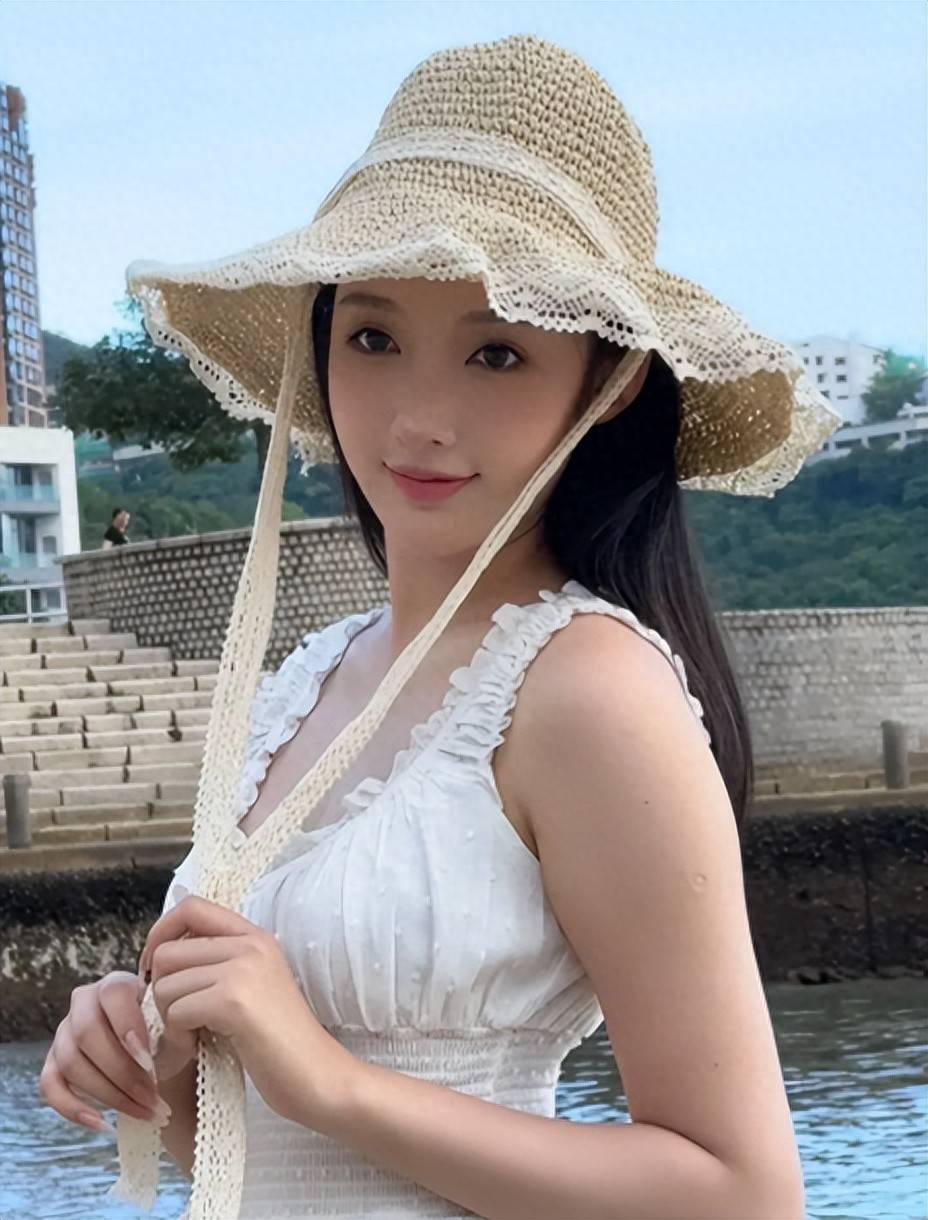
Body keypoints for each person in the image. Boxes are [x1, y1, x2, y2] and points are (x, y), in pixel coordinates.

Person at [40, 33, 841, 1220]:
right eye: (372, 337)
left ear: (609, 382)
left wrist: (333, 1082)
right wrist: (155, 1057)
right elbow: (283, 1144)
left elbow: (743, 1192)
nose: (418, 417)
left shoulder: (585, 690)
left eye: (496, 352)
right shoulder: (311, 676)